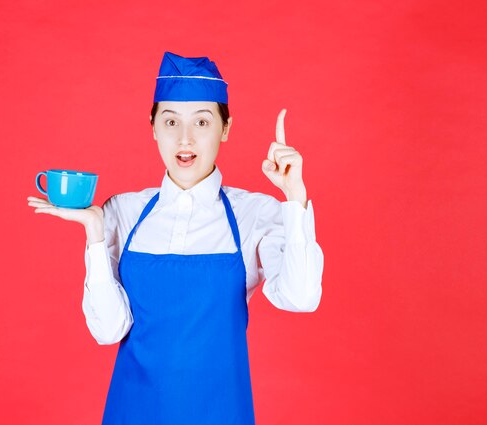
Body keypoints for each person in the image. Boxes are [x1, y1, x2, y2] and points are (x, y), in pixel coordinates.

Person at [27, 51, 324, 425]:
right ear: (152, 127)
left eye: (202, 121)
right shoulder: (122, 211)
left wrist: (294, 199)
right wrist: (95, 234)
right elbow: (108, 331)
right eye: (170, 121)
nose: (185, 138)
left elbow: (301, 297)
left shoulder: (255, 213)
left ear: (226, 128)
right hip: (132, 411)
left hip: (222, 413)